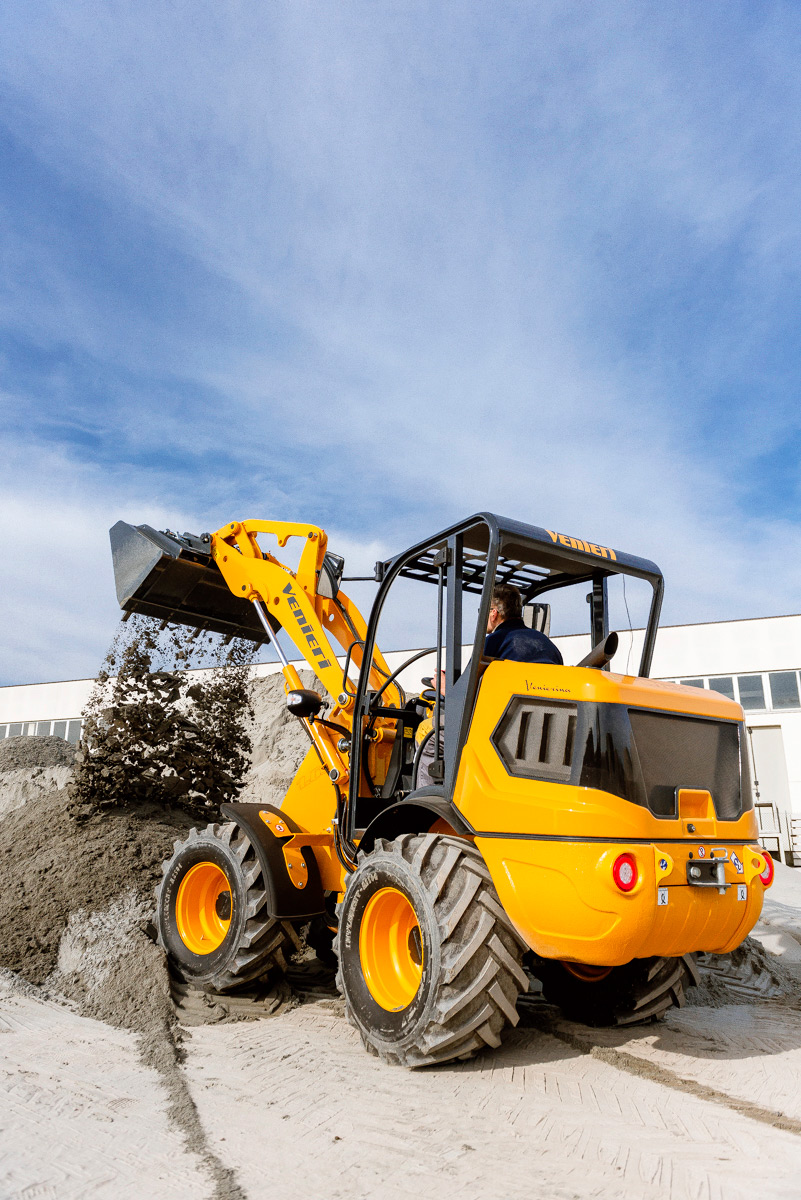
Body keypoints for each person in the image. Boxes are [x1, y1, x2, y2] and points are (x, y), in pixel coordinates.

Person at [418, 583, 562, 787]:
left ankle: (428, 800)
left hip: (499, 731)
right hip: (538, 733)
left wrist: (443, 688)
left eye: (482, 611)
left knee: (427, 733)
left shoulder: (495, 642)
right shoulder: (548, 646)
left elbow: (467, 699)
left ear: (493, 613)